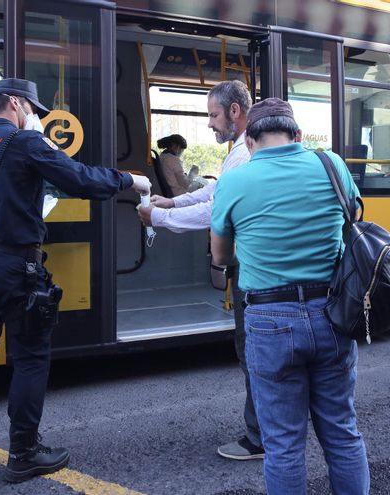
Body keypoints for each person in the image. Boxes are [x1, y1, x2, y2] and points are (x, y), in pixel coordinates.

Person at [0, 78, 151, 483]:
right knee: (30, 356)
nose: (37, 117)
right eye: (34, 109)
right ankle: (24, 452)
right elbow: (80, 179)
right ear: (15, 103)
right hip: (15, 266)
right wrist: (129, 180)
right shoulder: (25, 142)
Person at [210, 98, 369, 494]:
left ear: (249, 141)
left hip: (269, 320)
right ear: (297, 135)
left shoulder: (233, 181)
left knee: (282, 445)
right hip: (333, 313)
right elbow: (353, 218)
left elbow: (221, 256)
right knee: (342, 432)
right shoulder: (331, 165)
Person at [137, 80, 264, 461]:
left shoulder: (244, 153)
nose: (209, 123)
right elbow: (214, 192)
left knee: (252, 351)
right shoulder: (241, 150)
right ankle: (270, 430)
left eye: (213, 115)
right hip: (257, 270)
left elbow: (216, 209)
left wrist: (159, 217)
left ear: (235, 112)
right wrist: (173, 203)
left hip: (252, 271)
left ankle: (260, 437)